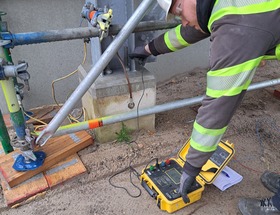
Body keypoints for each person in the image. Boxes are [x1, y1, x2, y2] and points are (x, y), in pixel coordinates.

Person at [129, 0, 280, 214]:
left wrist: (192, 167)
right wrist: (148, 49)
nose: (183, 21)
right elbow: (189, 30)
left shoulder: (235, 30)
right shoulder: (222, 6)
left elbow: (218, 105)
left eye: (179, 10)